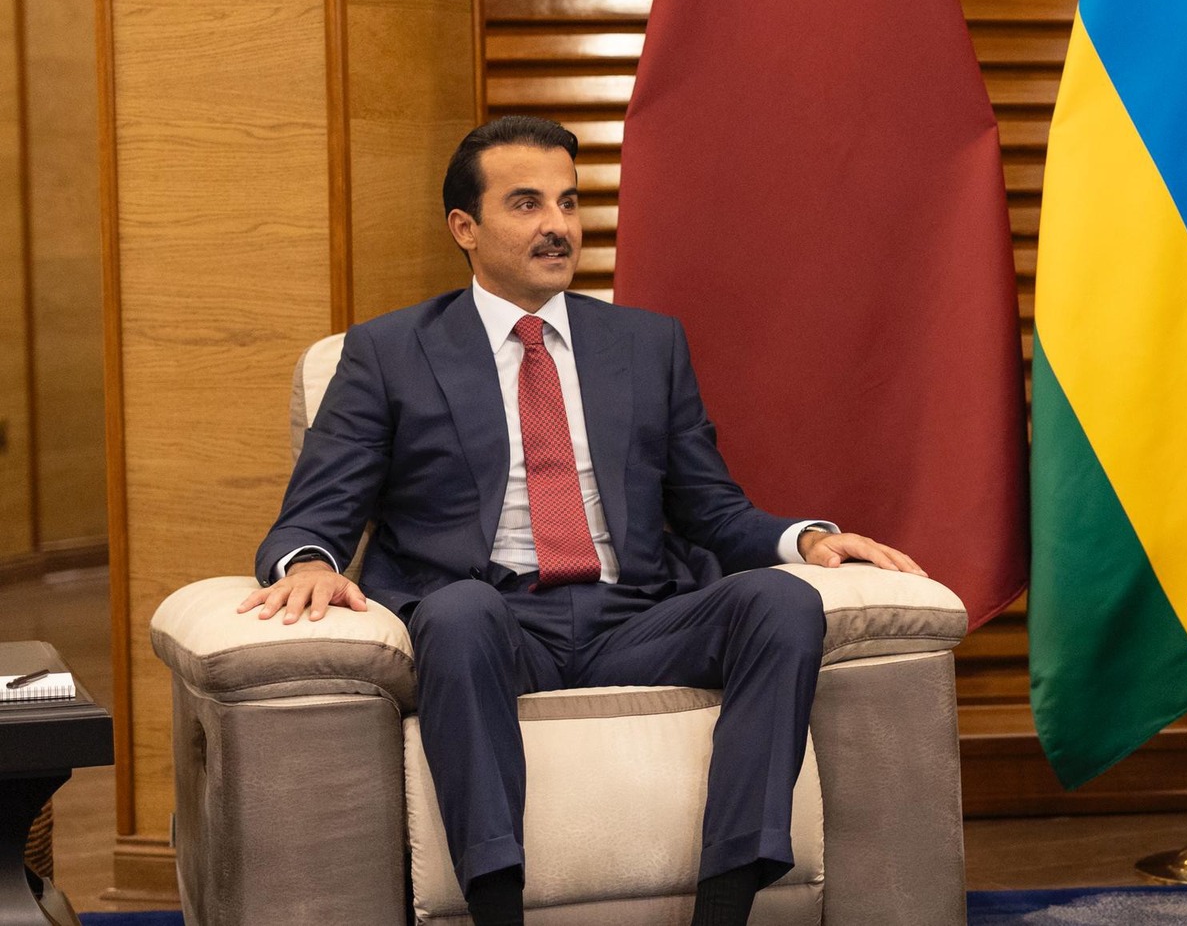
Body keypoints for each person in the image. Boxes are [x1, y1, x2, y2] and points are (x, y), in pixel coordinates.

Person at [237, 116, 925, 926]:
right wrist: (308, 562)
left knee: (782, 601)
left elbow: (709, 505)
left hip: (633, 618)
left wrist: (804, 539)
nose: (557, 225)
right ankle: (498, 908)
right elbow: (314, 514)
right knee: (458, 612)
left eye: (568, 202)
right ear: (464, 227)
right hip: (491, 623)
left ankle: (725, 905)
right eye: (526, 203)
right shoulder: (389, 353)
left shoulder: (646, 343)